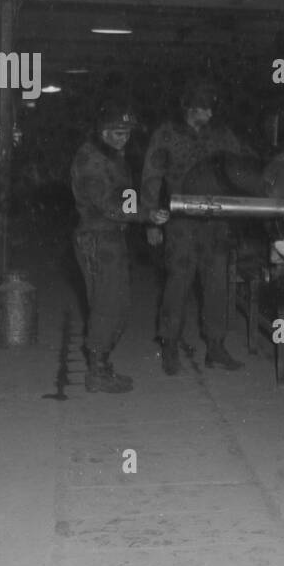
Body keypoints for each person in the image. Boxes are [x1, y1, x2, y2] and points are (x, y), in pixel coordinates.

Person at [141, 79, 252, 375]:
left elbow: (239, 171)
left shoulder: (222, 135)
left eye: (212, 109)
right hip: (181, 222)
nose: (210, 116)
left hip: (217, 222)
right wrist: (150, 219)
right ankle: (168, 344)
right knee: (178, 283)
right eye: (204, 110)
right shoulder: (166, 134)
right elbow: (152, 176)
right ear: (189, 108)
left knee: (217, 286)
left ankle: (215, 346)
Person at [70, 103, 169, 393]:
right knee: (107, 306)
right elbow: (109, 205)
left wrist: (146, 216)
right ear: (101, 131)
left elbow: (126, 198)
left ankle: (101, 364)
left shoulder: (115, 157)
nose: (122, 138)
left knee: (118, 304)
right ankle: (97, 373)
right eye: (115, 132)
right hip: (96, 239)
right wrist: (146, 215)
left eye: (126, 133)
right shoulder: (91, 159)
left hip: (112, 237)